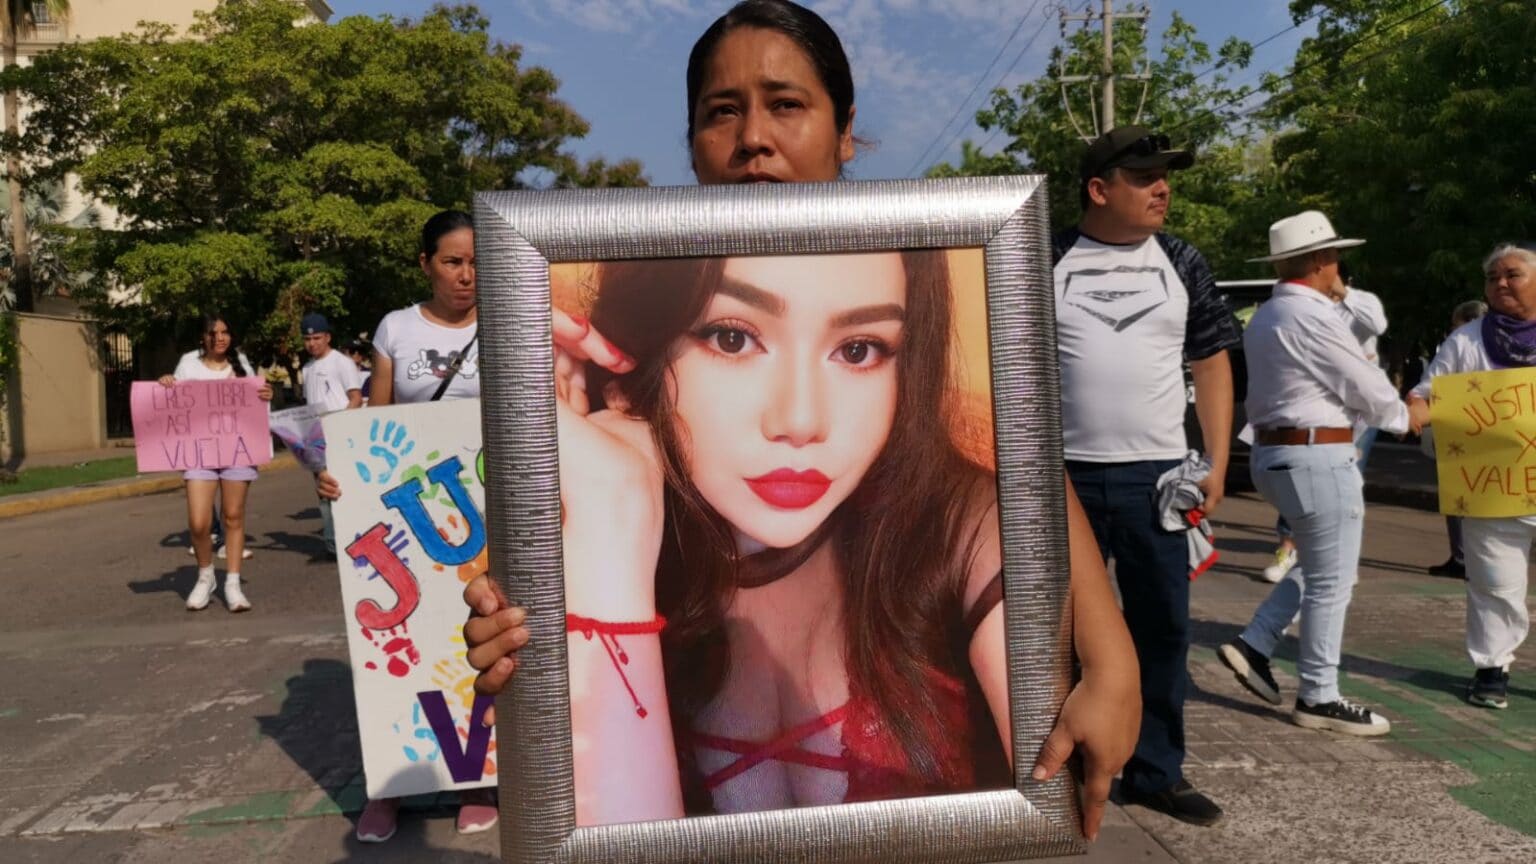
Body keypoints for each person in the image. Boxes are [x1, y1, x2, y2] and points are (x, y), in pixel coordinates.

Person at [460, 0, 1140, 842]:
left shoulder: (946, 524)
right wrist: (601, 541)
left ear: (844, 131)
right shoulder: (617, 496)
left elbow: (1026, 465)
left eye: (859, 350)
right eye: (731, 338)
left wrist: (1109, 650)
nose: (799, 421)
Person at [1051, 125, 1239, 826]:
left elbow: (1211, 361)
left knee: (1163, 630)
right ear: (1099, 190)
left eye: (1166, 176)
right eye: (1144, 176)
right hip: (1061, 480)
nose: (1163, 188)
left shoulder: (1182, 261)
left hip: (1158, 480)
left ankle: (1157, 771)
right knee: (1057, 635)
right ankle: (1062, 767)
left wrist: (1216, 461)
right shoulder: (1044, 256)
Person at [316, 209, 494, 841]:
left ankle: (477, 780)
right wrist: (341, 474)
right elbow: (375, 422)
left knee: (475, 640)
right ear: (425, 264)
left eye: (475, 262)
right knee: (400, 644)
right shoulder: (396, 328)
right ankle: (391, 786)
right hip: (408, 518)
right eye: (452, 262)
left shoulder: (508, 320)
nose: (466, 275)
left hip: (484, 515)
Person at [1217, 210, 1407, 736]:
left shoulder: (1269, 314)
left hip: (1280, 454)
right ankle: (1319, 694)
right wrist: (1405, 416)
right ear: (1323, 259)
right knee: (1332, 579)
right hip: (1314, 454)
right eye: (1335, 256)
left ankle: (1255, 643)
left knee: (1325, 565)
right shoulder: (1311, 315)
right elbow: (1362, 382)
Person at [1407, 244, 1536, 710]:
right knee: (1494, 583)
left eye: (1512, 275)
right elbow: (1427, 394)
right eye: (1492, 277)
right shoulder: (1465, 342)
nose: (1500, 283)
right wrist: (1411, 411)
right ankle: (1491, 670)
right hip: (1491, 488)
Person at [1261, 262, 1389, 583]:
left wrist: (1343, 293)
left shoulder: (1362, 302)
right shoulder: (1302, 306)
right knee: (1296, 476)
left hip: (1357, 413)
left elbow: (1377, 324)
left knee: (1349, 480)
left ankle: (1343, 557)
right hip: (1315, 411)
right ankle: (1288, 547)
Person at [158, 312, 274, 612]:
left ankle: (232, 583)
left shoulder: (241, 363)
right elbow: (174, 403)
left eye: (225, 332)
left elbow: (256, 404)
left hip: (237, 451)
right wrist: (167, 384)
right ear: (203, 337)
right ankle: (206, 576)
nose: (220, 338)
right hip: (199, 452)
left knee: (233, 516)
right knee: (199, 523)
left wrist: (266, 394)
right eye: (213, 333)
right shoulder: (188, 363)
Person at [1424, 299, 1490, 579]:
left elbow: (1433, 384)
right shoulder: (1474, 344)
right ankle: (1467, 557)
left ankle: (1465, 557)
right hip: (1475, 433)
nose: (1453, 330)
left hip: (1463, 434)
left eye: (1456, 324)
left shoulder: (1462, 343)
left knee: (1461, 496)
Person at [299, 312, 363, 557]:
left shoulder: (342, 362)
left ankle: (351, 539)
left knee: (344, 489)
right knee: (323, 491)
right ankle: (332, 544)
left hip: (340, 436)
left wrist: (341, 427)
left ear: (327, 337)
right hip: (316, 438)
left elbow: (355, 398)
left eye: (316, 338)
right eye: (307, 339)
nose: (312, 343)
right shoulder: (307, 368)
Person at [343, 338, 373, 405]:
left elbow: (366, 400)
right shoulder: (335, 374)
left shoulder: (370, 375)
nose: (356, 353)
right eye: (352, 351)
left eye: (360, 351)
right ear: (344, 353)